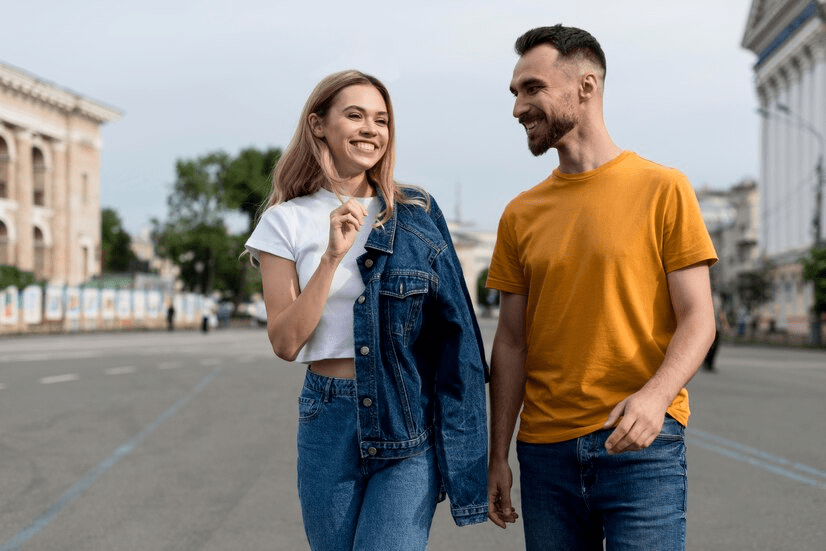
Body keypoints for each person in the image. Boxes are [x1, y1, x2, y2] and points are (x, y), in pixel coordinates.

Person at [485, 26, 717, 551]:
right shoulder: (520, 214)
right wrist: (498, 453)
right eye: (515, 93)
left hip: (642, 447)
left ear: (585, 87)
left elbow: (699, 318)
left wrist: (655, 399)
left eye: (532, 88)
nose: (519, 107)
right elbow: (511, 341)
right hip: (544, 455)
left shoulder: (663, 188)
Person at [244, 70, 488, 551]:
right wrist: (332, 256)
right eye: (354, 115)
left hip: (405, 412)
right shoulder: (284, 222)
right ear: (318, 125)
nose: (371, 129)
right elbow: (286, 341)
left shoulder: (415, 212)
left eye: (382, 119)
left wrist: (476, 453)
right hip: (329, 415)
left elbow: (458, 336)